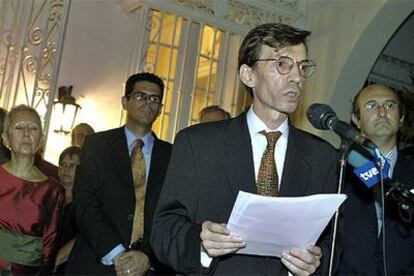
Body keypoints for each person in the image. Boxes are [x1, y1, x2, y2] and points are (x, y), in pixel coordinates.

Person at [151, 23, 338, 275]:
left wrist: (316, 262)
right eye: (282, 64)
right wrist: (202, 243)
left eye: (302, 67)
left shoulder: (322, 157)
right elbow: (164, 230)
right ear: (248, 75)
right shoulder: (198, 144)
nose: (296, 77)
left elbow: (333, 245)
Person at [65, 72, 173, 275]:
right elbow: (84, 202)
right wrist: (116, 253)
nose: (148, 103)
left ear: (160, 108)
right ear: (125, 101)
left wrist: (148, 256)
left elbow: (172, 214)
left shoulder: (172, 155)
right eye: (140, 96)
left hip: (149, 267)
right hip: (96, 262)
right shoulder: (97, 145)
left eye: (155, 99)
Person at [338, 84, 414, 275]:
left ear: (401, 118)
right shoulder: (337, 170)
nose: (382, 113)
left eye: (390, 106)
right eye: (371, 106)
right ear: (356, 119)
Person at [0, 105, 65, 275]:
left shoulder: (53, 190)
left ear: (41, 141)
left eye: (33, 128)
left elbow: (50, 245)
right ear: (5, 139)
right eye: (19, 127)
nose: (27, 133)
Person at [54, 146, 81, 274]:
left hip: (70, 266)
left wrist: (54, 261)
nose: (66, 169)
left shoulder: (85, 202)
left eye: (72, 165)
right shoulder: (49, 195)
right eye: (63, 164)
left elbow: (81, 238)